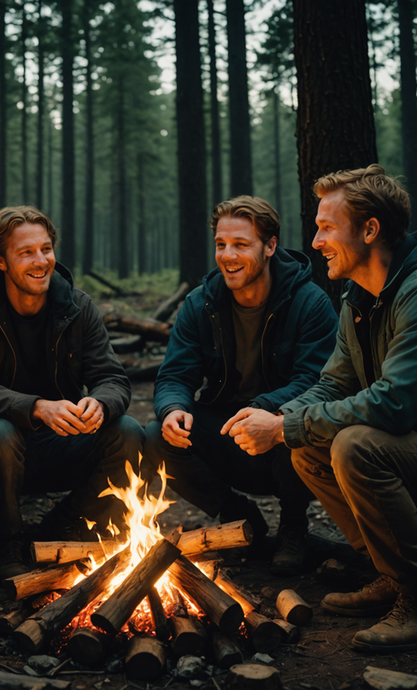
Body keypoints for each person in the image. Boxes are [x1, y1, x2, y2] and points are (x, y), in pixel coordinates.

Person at [221, 164, 417, 653]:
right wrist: (281, 421)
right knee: (309, 448)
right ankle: (393, 575)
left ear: (370, 230)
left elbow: (396, 404)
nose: (317, 240)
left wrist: (286, 426)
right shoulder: (358, 295)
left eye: (327, 227)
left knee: (354, 445)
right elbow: (332, 384)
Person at [0, 205, 145, 580]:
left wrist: (100, 403)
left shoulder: (77, 306)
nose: (41, 262)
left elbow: (112, 377)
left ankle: (63, 526)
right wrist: (36, 407)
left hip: (63, 441)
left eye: (46, 249)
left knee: (130, 431)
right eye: (26, 253)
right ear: (0, 260)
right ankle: (9, 541)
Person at [143, 196, 338, 575]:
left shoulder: (310, 302)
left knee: (293, 420)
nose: (227, 255)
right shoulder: (201, 303)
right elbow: (175, 374)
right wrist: (173, 409)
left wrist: (264, 409)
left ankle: (294, 526)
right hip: (226, 431)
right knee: (154, 435)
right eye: (221, 244)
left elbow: (316, 380)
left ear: (270, 246)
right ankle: (239, 516)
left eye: (241, 245)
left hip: (281, 438)